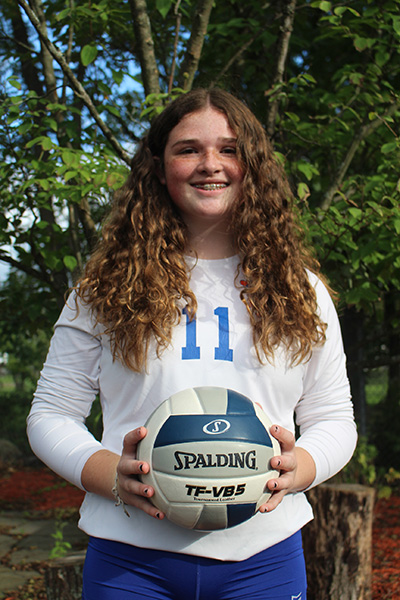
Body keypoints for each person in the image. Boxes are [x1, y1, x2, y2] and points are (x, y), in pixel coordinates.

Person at [27, 88, 357, 600]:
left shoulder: (302, 290)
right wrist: (110, 475)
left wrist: (303, 468)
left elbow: (335, 418)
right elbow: (49, 414)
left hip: (263, 562)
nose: (211, 165)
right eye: (188, 149)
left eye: (229, 149)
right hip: (130, 563)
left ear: (254, 166)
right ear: (159, 168)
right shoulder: (105, 286)